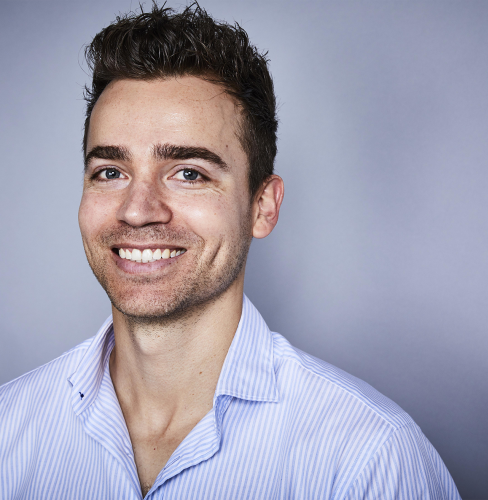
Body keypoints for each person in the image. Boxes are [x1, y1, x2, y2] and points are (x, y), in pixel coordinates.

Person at [0, 4, 461, 499]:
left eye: (189, 173)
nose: (137, 211)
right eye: (110, 172)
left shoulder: (369, 457)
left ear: (262, 206)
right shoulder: (9, 428)